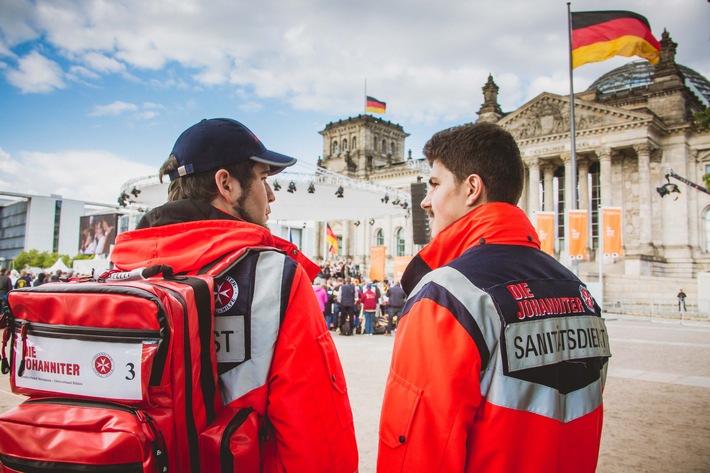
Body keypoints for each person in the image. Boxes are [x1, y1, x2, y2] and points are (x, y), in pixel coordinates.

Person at [111, 118, 357, 472]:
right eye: (262, 179)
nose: (271, 195)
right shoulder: (275, 275)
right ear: (226, 184)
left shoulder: (120, 270)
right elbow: (314, 429)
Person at [377, 122, 611, 472]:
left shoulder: (447, 295)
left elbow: (419, 450)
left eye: (435, 184)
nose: (425, 201)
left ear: (472, 188)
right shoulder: (579, 293)